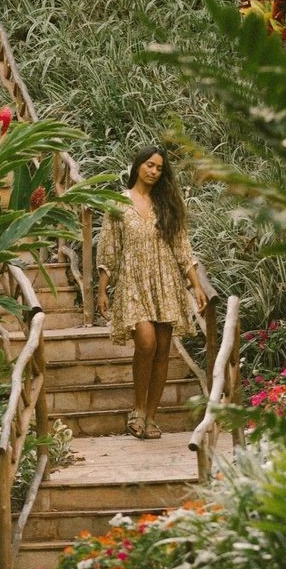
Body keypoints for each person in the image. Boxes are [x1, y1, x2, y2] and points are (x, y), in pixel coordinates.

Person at [96, 146, 208, 440]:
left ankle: (150, 417)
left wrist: (195, 284)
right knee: (146, 343)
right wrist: (103, 289)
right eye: (149, 165)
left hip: (165, 280)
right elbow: (109, 248)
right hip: (133, 281)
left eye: (159, 168)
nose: (154, 171)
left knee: (161, 349)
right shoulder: (118, 203)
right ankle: (137, 408)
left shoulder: (167, 204)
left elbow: (182, 247)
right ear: (137, 166)